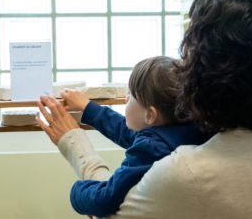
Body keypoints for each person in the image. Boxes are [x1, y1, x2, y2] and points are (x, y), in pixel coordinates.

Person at [37, 0, 252, 219]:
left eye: (189, 56)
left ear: (204, 71)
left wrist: (74, 142)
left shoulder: (185, 172)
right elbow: (141, 137)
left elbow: (105, 210)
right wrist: (90, 111)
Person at [39, 56, 212, 217]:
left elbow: (106, 199)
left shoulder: (149, 150)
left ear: (150, 115)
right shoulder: (188, 131)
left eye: (130, 97)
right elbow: (128, 132)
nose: (125, 100)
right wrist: (89, 108)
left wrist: (78, 191)